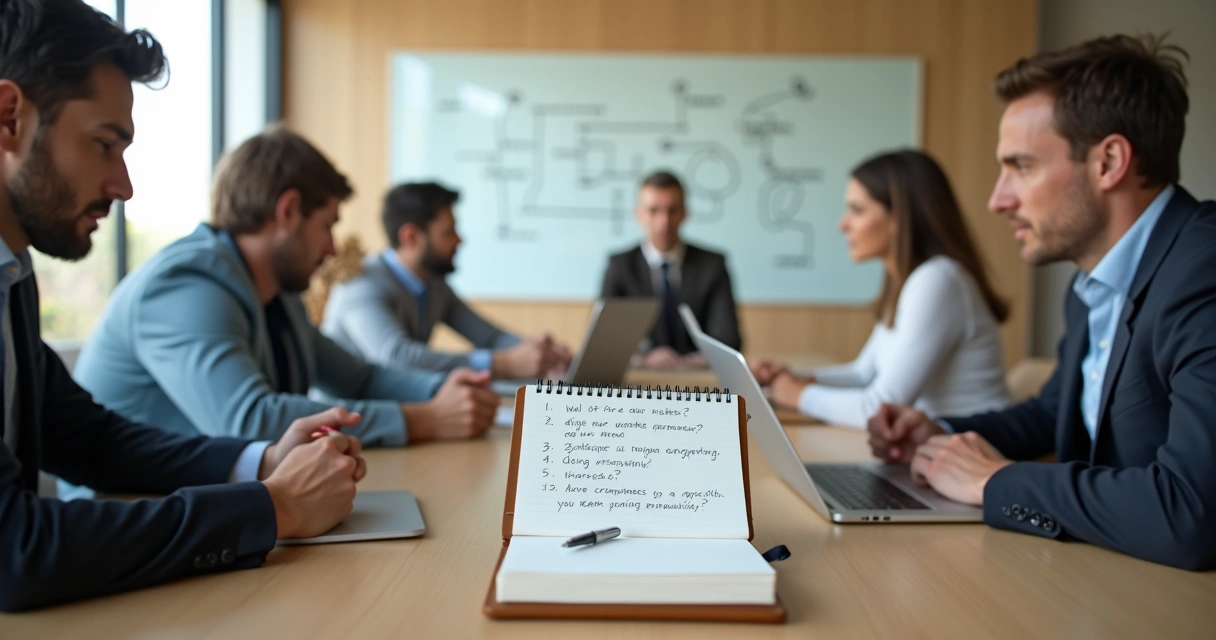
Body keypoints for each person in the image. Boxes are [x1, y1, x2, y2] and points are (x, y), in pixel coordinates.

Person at [0, 0, 367, 611]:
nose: (124, 185)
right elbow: (14, 549)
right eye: (103, 145)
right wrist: (273, 506)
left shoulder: (12, 270)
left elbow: (90, 440)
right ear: (9, 117)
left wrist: (263, 460)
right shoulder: (188, 278)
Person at [867, 34, 1216, 570]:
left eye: (1021, 167)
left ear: (1109, 162)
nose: (997, 199)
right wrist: (943, 430)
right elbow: (1056, 414)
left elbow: (1191, 512)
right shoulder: (1093, 286)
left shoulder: (1203, 272)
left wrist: (992, 481)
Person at [73, 129, 499, 455]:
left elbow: (360, 377)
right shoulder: (186, 285)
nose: (333, 249)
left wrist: (441, 393)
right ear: (289, 211)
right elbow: (249, 421)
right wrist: (424, 419)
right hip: (125, 518)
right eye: (328, 225)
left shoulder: (279, 295)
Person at [753, 150, 1013, 428]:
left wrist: (800, 395)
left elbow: (882, 406)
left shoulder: (938, 281)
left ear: (899, 218)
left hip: (974, 449)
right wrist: (795, 378)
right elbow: (863, 373)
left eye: (857, 210)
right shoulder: (909, 280)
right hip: (936, 447)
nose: (842, 224)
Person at [321, 182, 570, 378]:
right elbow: (397, 358)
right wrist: (503, 363)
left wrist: (543, 354)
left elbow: (489, 337)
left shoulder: (434, 286)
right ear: (411, 237)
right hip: (341, 422)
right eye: (448, 232)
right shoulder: (360, 284)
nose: (459, 241)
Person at [599, 170, 742, 369]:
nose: (663, 221)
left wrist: (693, 361)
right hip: (640, 381)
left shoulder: (712, 266)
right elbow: (603, 343)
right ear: (639, 215)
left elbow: (730, 339)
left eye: (672, 210)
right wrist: (643, 360)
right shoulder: (620, 266)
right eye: (653, 211)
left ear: (684, 213)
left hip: (697, 381)